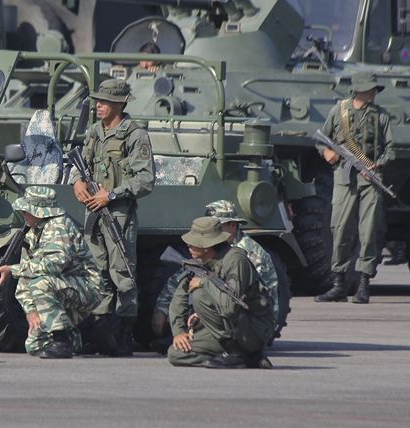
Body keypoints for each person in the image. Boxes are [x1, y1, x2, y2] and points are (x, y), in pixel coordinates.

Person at [71, 78, 156, 356]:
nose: (98, 105)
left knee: (123, 273)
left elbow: (145, 180)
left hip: (119, 213)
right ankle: (100, 331)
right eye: (98, 100)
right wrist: (77, 183)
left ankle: (121, 335)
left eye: (105, 101)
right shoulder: (95, 131)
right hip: (93, 213)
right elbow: (80, 164)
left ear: (120, 103)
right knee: (96, 272)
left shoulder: (135, 135)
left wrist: (112, 194)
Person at [0, 186, 102, 359]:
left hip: (87, 288)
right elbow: (26, 275)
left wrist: (13, 269)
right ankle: (78, 337)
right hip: (62, 287)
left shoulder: (58, 226)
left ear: (40, 211)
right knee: (33, 346)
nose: (24, 214)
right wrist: (31, 312)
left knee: (41, 283)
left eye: (27, 211)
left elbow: (53, 265)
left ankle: (61, 341)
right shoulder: (33, 231)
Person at [315, 72, 395, 304]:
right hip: (344, 178)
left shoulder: (380, 116)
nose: (373, 93)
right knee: (340, 229)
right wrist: (327, 152)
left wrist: (377, 164)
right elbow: (322, 139)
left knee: (368, 231)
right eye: (370, 89)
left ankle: (363, 284)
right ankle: (338, 284)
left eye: (374, 90)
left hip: (370, 178)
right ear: (358, 89)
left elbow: (391, 149)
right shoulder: (339, 111)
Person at [153, 200, 282, 343]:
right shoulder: (211, 246)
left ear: (233, 225)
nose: (212, 231)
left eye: (218, 226)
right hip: (225, 311)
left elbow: (248, 297)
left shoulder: (250, 255)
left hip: (249, 317)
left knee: (200, 295)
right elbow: (183, 277)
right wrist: (162, 309)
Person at [167, 217, 274, 369]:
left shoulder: (235, 260)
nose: (188, 244)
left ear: (207, 246)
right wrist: (179, 332)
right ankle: (243, 358)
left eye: (194, 241)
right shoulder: (199, 264)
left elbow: (230, 306)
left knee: (199, 296)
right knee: (176, 354)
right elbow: (179, 299)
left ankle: (239, 354)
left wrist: (204, 283)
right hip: (226, 329)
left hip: (252, 327)